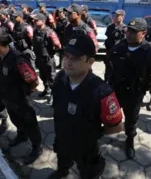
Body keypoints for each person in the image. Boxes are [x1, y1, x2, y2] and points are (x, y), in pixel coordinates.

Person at [49, 32, 123, 179]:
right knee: (63, 160)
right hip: (62, 137)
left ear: (90, 62)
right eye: (66, 56)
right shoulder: (60, 78)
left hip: (86, 146)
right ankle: (62, 171)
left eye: (76, 58)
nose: (68, 62)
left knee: (88, 172)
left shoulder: (102, 93)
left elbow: (116, 126)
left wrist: (93, 133)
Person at [0, 27, 43, 164]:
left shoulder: (18, 60)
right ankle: (21, 135)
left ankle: (37, 147)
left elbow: (34, 81)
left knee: (30, 124)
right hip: (8, 99)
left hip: (21, 101)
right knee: (16, 120)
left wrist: (24, 93)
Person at [109, 18, 151, 159]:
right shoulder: (118, 46)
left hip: (134, 93)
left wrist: (144, 87)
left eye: (133, 31)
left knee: (131, 118)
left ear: (143, 33)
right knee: (110, 113)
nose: (128, 33)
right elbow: (109, 65)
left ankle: (129, 139)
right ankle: (108, 130)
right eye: (128, 30)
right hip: (115, 89)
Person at [31, 13, 61, 103]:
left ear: (43, 21)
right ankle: (46, 89)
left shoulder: (49, 32)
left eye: (36, 20)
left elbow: (58, 45)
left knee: (52, 78)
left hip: (48, 58)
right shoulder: (35, 31)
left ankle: (54, 94)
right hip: (39, 57)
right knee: (43, 76)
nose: (34, 21)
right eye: (34, 20)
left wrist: (51, 53)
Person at [104, 9, 126, 82]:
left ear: (123, 17)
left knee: (117, 73)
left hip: (119, 55)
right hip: (109, 53)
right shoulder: (110, 27)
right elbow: (108, 38)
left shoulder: (125, 29)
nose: (115, 17)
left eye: (118, 15)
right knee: (108, 72)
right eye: (115, 15)